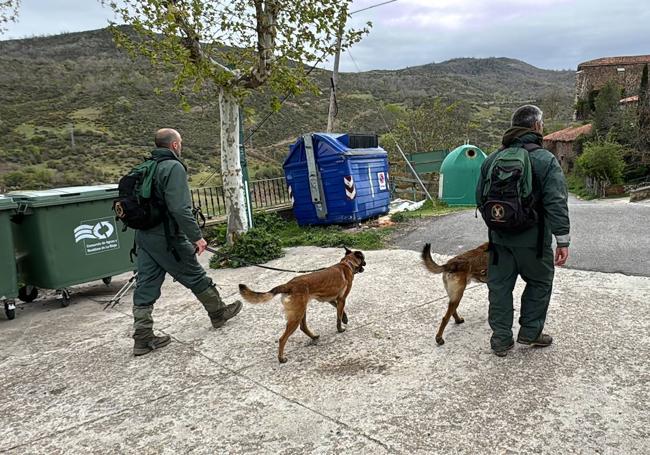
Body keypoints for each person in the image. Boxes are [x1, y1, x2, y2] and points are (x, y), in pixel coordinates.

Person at [131, 128, 242, 356]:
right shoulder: (173, 167)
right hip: (168, 238)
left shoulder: (146, 167)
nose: (181, 146)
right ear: (174, 145)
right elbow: (180, 209)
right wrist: (197, 237)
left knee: (146, 284)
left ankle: (142, 338)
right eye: (180, 142)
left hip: (144, 236)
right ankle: (218, 313)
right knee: (195, 275)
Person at [476, 105, 570, 357]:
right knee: (539, 283)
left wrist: (500, 225)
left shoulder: (491, 159)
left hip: (500, 241)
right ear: (537, 127)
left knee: (499, 288)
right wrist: (563, 239)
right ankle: (530, 332)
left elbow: (480, 199)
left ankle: (501, 340)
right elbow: (556, 202)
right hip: (534, 241)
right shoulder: (546, 160)